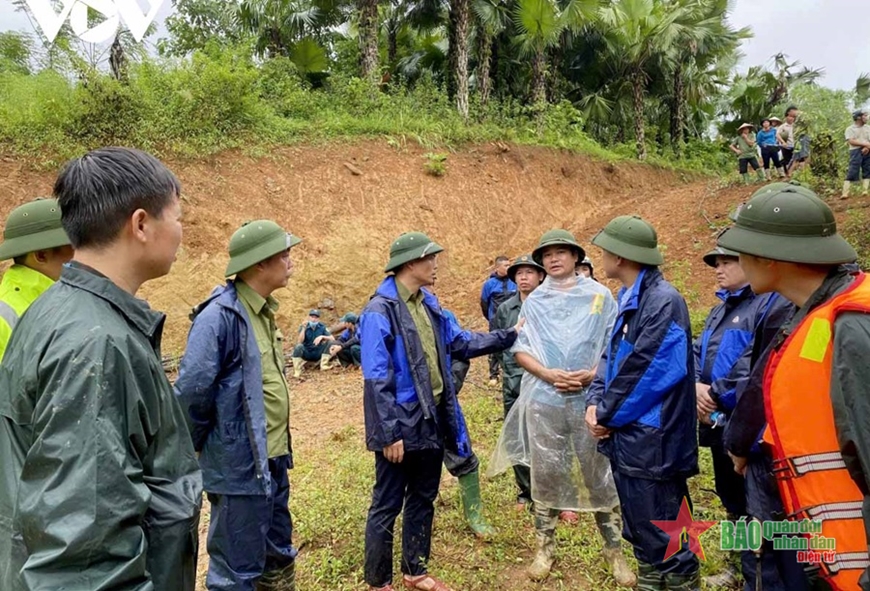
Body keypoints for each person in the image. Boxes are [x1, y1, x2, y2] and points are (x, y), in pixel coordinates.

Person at [0, 147, 202, 590]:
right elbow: (83, 563)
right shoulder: (97, 344)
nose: (183, 232)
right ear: (142, 224)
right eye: (179, 216)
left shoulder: (56, 308)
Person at [718, 184, 870, 591]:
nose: (736, 261)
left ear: (771, 257)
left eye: (742, 250)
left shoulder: (852, 327)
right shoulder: (809, 313)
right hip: (824, 553)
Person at [361, 231, 521, 591]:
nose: (435, 265)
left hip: (433, 416)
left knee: (423, 496)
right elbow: (375, 378)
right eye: (429, 258)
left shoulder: (428, 304)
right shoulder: (379, 310)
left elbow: (461, 342)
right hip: (401, 422)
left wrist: (508, 335)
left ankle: (415, 571)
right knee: (387, 503)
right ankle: (378, 581)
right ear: (410, 264)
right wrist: (389, 432)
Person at [490, 230, 634, 585]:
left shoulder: (600, 296)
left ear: (575, 257)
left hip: (589, 401)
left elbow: (614, 345)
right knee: (547, 473)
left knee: (598, 474)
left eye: (561, 253)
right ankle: (544, 548)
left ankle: (613, 550)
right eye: (548, 255)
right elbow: (520, 348)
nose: (554, 259)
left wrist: (592, 375)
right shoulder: (534, 302)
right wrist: (549, 374)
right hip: (545, 399)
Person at [175, 220, 301, 591]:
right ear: (260, 263)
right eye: (284, 253)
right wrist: (198, 447)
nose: (291, 259)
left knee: (276, 555)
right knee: (235, 571)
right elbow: (192, 391)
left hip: (272, 459)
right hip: (238, 468)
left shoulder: (262, 311)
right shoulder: (220, 317)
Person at [585, 215, 700, 591]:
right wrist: (595, 399)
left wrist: (605, 414)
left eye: (606, 250)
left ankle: (681, 582)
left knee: (667, 528)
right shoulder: (631, 297)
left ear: (621, 256)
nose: (601, 255)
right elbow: (611, 357)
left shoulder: (663, 302)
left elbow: (648, 372)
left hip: (655, 440)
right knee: (641, 524)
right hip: (632, 438)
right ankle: (652, 581)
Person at [693, 245, 788, 589]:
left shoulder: (767, 306)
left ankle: (756, 575)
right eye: (716, 263)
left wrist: (716, 393)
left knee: (755, 505)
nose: (719, 269)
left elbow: (753, 366)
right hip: (717, 422)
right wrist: (696, 386)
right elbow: (696, 351)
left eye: (727, 262)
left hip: (745, 422)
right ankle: (738, 567)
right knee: (731, 497)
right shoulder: (720, 310)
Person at [439, 306, 498, 539]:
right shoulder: (389, 313)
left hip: (443, 402)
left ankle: (475, 516)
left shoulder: (442, 316)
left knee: (462, 455)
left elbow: (461, 351)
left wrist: (450, 385)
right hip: (408, 406)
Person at [492, 253, 545, 511]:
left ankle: (550, 492)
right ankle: (525, 491)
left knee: (547, 434)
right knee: (517, 435)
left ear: (540, 276)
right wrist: (500, 371)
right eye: (519, 274)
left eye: (529, 272)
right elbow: (497, 342)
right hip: (514, 380)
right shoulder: (505, 309)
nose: (524, 277)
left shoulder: (550, 304)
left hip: (545, 380)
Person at [0, 198, 73, 360]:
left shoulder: (67, 301)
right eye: (75, 246)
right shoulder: (4, 318)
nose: (85, 255)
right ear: (41, 255)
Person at [480, 254, 517, 385]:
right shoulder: (489, 284)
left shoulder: (514, 281)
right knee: (494, 346)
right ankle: (493, 375)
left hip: (513, 320)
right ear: (497, 267)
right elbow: (484, 304)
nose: (509, 267)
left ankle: (512, 370)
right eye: (506, 265)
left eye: (509, 265)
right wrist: (491, 318)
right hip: (495, 321)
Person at [291, 308, 333, 377]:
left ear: (318, 319)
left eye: (316, 317)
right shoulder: (304, 326)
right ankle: (297, 371)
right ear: (309, 317)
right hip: (307, 352)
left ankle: (324, 365)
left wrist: (322, 336)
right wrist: (304, 329)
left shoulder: (322, 327)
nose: (313, 319)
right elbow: (300, 341)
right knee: (298, 347)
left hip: (318, 352)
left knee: (330, 343)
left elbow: (332, 338)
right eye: (312, 317)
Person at [843, 109, 870, 199]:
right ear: (859, 118)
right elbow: (851, 141)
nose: (866, 117)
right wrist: (865, 144)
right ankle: (845, 192)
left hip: (867, 150)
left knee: (867, 169)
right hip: (855, 151)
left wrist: (867, 147)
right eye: (864, 116)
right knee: (853, 169)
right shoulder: (850, 129)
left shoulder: (868, 128)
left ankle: (865, 190)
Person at [777, 107, 798, 174]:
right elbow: (778, 135)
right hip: (786, 146)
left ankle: (792, 172)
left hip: (795, 145)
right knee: (787, 160)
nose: (791, 118)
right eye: (790, 116)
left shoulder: (796, 126)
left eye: (793, 117)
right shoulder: (782, 126)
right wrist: (783, 142)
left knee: (795, 159)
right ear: (786, 117)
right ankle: (787, 172)